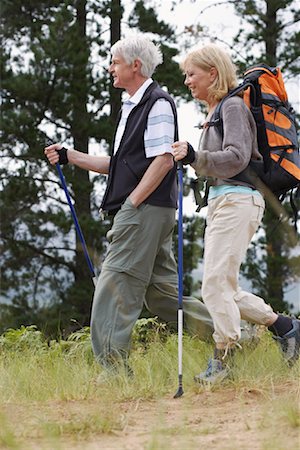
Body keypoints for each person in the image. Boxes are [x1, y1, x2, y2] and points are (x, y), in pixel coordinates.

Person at [44, 35, 214, 373]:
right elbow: (121, 163)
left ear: (135, 65)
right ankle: (234, 335)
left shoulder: (157, 103)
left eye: (115, 62)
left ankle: (114, 373)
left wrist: (131, 204)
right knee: (161, 295)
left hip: (142, 211)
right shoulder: (132, 107)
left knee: (114, 286)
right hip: (148, 211)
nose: (110, 68)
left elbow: (164, 159)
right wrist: (70, 156)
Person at [172, 43, 300, 383]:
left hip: (238, 201)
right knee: (223, 285)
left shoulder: (231, 108)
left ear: (212, 73)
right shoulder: (217, 112)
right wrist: (194, 160)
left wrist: (195, 157)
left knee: (214, 284)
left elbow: (237, 157)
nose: (187, 81)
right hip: (225, 202)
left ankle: (225, 358)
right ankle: (285, 327)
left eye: (191, 74)